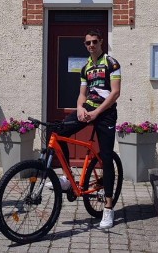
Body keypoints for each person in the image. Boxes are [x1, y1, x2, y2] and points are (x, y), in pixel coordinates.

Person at [50, 29, 121, 229]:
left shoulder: (111, 63)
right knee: (59, 134)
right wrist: (80, 107)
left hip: (105, 113)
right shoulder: (85, 68)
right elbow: (82, 94)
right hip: (88, 109)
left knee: (106, 158)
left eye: (94, 42)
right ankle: (68, 177)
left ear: (101, 42)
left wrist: (97, 112)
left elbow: (115, 93)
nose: (91, 45)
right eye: (88, 43)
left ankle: (108, 209)